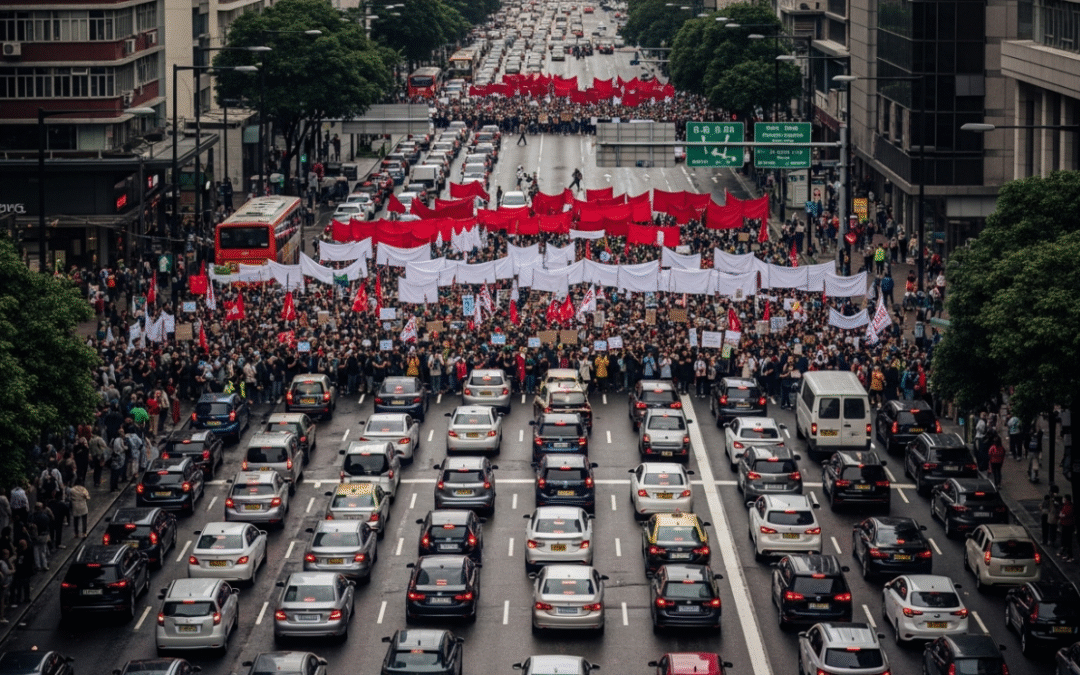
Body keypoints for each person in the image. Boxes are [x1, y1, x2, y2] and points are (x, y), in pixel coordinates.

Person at [1059, 494, 1075, 562]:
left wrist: (1062, 515)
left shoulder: (1069, 506)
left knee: (1068, 542)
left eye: (1064, 498)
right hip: (1065, 524)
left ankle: (1070, 557)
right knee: (1065, 541)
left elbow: (1066, 514)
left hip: (1068, 525)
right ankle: (1068, 555)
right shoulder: (1066, 505)